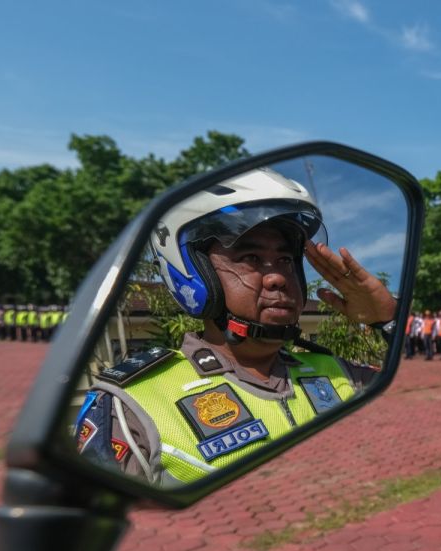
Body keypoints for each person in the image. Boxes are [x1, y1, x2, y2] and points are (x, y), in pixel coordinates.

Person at [74, 168, 396, 486]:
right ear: (194, 273)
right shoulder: (132, 404)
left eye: (285, 261)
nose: (277, 278)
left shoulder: (337, 373)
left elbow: (432, 406)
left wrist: (387, 321)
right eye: (250, 258)